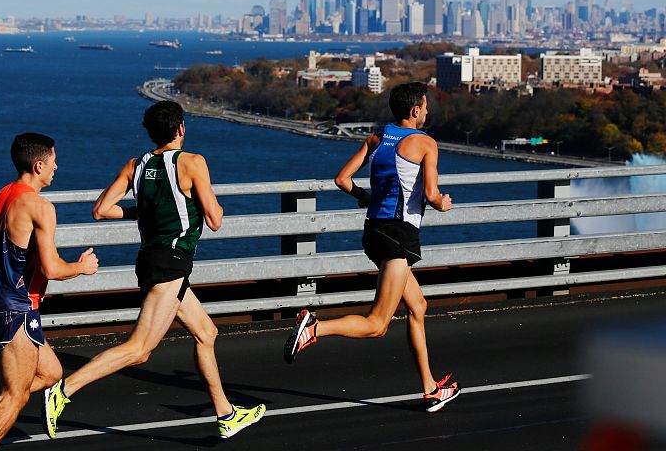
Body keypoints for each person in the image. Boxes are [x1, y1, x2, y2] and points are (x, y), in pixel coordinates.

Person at [42, 100, 265, 439]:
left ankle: (226, 413)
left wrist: (140, 213)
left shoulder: (136, 165)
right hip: (171, 262)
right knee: (139, 349)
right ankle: (63, 390)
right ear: (181, 129)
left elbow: (102, 209)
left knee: (206, 333)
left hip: (151, 261)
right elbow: (215, 220)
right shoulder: (193, 162)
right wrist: (211, 201)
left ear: (152, 133)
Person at [284, 82, 461, 413]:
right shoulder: (425, 143)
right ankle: (315, 327)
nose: (428, 111)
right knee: (378, 324)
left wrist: (365, 197)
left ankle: (430, 388)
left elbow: (342, 180)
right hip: (398, 235)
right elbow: (433, 195)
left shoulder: (377, 139)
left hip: (374, 232)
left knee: (418, 306)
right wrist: (444, 203)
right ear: (415, 111)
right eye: (425, 106)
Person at [0, 132, 99, 449]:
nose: (56, 167)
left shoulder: (2, 196)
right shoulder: (39, 206)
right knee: (15, 395)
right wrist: (81, 267)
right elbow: (52, 269)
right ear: (38, 165)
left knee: (50, 372)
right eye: (53, 161)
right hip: (16, 307)